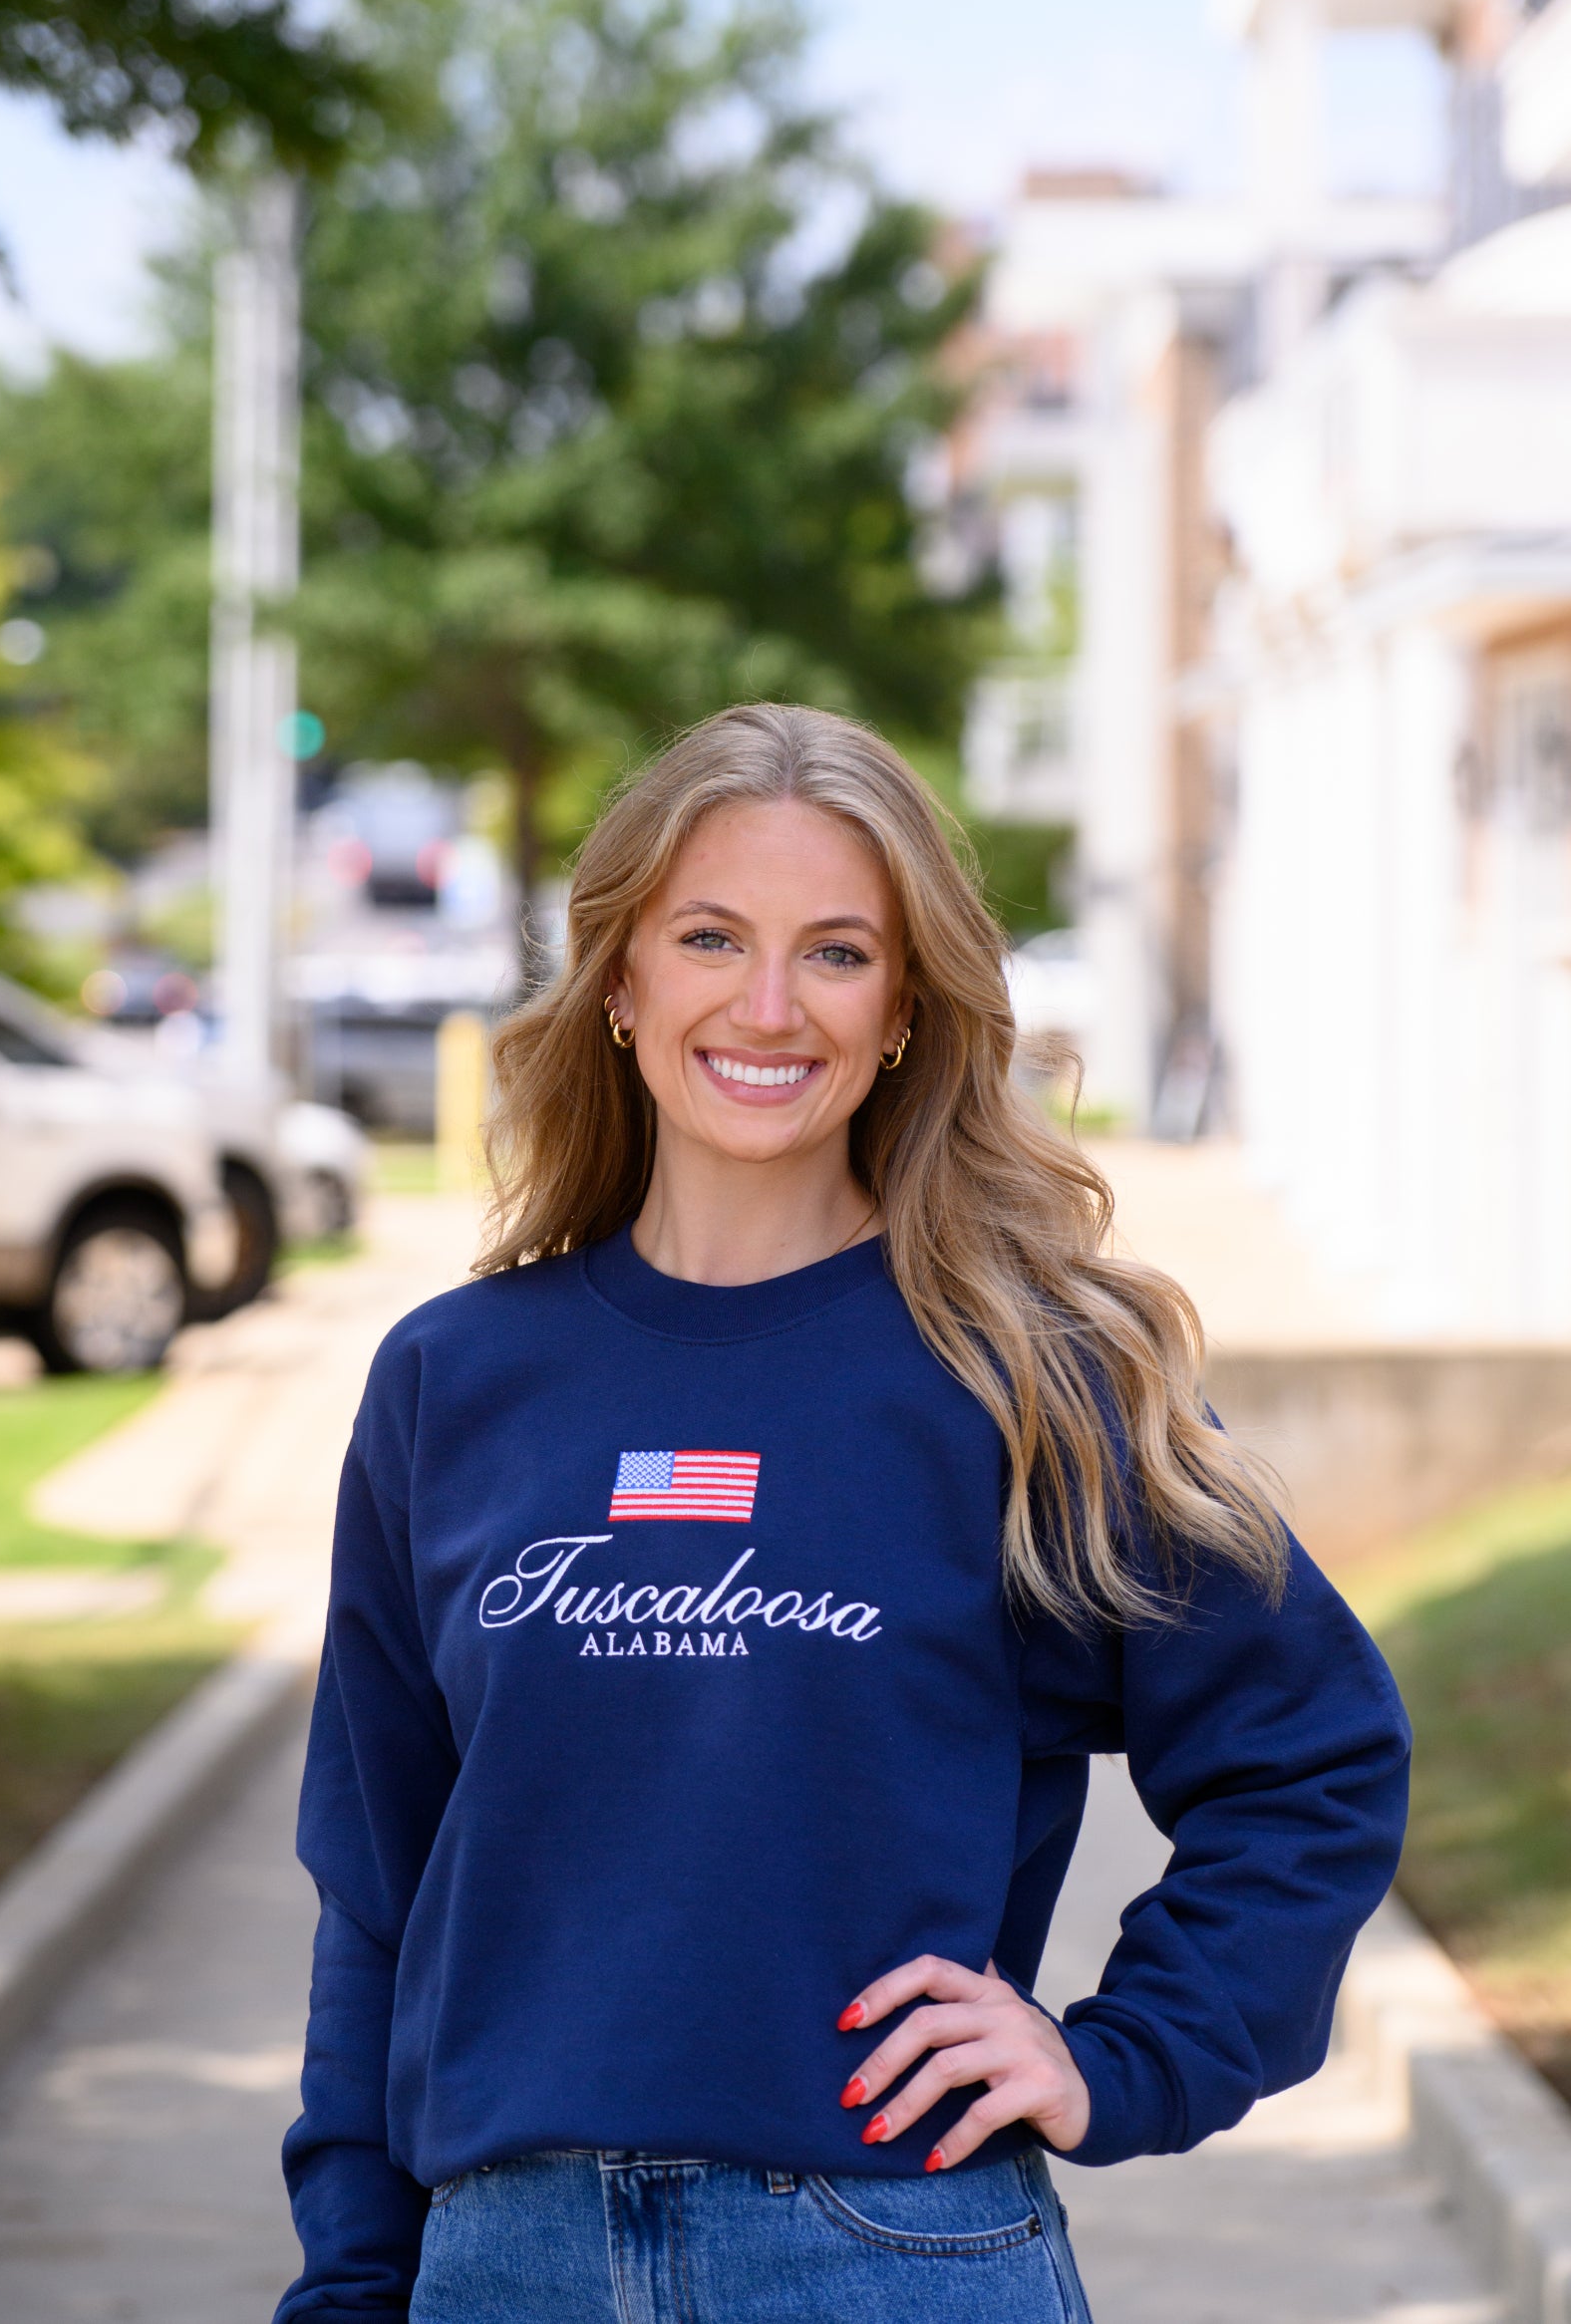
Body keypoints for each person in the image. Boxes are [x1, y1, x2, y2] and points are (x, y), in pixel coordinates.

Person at [274, 704, 1410, 2324]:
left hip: (886, 2255)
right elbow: (376, 1891)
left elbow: (1314, 1757)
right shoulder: (456, 1382)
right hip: (503, 2265)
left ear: (902, 1009)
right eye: (711, 938)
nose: (765, 1005)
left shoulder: (1026, 1376)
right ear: (620, 980)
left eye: (836, 954)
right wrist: (353, 2280)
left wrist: (1125, 2059)